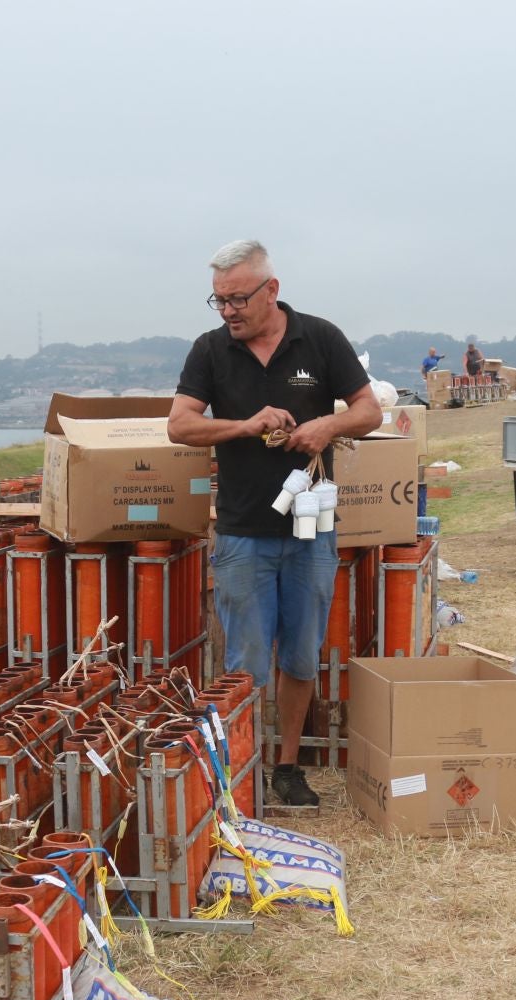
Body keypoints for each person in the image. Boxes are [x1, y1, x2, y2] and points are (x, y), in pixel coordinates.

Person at [169, 240, 379, 806]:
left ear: (271, 291)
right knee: (244, 661)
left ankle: (286, 766)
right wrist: (244, 426)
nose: (230, 311)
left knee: (301, 656)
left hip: (312, 532)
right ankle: (241, 768)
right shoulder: (209, 351)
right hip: (241, 532)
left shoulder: (321, 338)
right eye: (219, 301)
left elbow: (369, 409)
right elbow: (180, 427)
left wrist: (327, 428)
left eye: (238, 299)